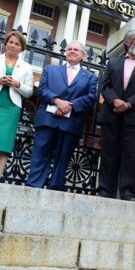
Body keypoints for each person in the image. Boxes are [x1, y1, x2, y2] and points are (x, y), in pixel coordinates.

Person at [26, 41, 97, 190]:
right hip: (47, 119)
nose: (72, 51)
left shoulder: (90, 77)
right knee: (40, 154)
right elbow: (42, 89)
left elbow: (91, 97)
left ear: (83, 56)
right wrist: (57, 101)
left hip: (71, 122)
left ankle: (56, 187)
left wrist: (69, 106)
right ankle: (33, 186)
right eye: (69, 49)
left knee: (63, 158)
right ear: (65, 53)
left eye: (76, 50)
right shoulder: (50, 69)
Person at [97, 30, 135, 201]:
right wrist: (114, 100)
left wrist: (129, 103)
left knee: (132, 156)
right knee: (109, 154)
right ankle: (105, 190)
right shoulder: (112, 63)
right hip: (112, 114)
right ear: (127, 42)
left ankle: (127, 192)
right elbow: (104, 85)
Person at [0, 30, 33, 177]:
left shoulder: (27, 67)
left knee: (4, 144)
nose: (13, 46)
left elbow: (29, 92)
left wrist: (17, 84)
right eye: (10, 42)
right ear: (5, 44)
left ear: (21, 48)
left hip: (11, 108)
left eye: (17, 44)